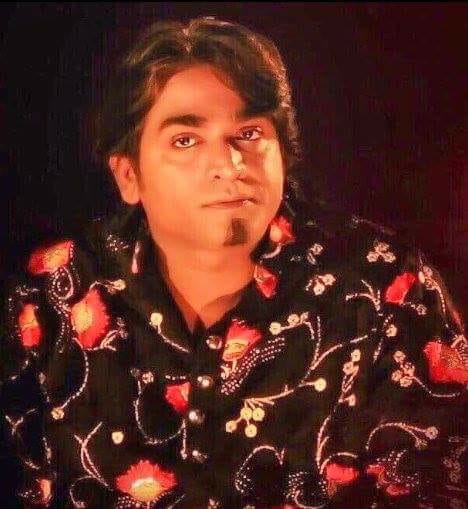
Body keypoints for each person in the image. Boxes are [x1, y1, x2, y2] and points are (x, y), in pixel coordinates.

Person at [1, 16, 467, 509]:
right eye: (186, 140)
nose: (229, 164)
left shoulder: (383, 286)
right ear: (129, 175)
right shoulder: (51, 294)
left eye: (249, 133)